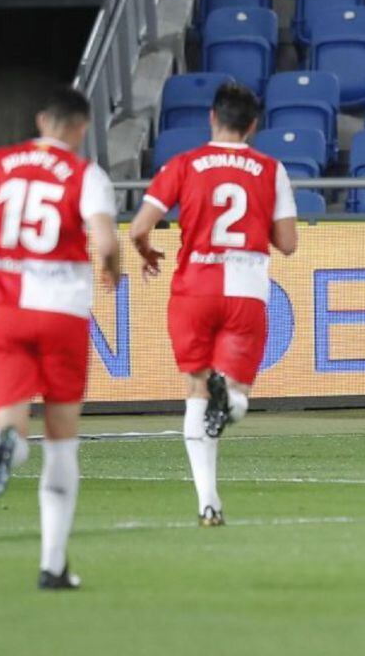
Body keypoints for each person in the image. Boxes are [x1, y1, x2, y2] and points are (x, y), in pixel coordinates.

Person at [0, 86, 120, 589]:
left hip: (7, 309)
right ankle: (53, 564)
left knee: (9, 423)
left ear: (42, 120)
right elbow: (105, 241)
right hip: (61, 312)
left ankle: (3, 445)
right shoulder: (88, 175)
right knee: (62, 443)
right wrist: (114, 270)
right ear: (81, 128)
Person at [129, 83, 298, 527]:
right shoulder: (270, 168)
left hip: (194, 289)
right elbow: (288, 244)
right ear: (253, 125)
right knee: (235, 397)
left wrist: (146, 251)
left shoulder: (184, 164)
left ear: (212, 118)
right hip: (245, 290)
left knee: (196, 392)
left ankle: (208, 502)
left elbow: (138, 227)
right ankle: (234, 403)